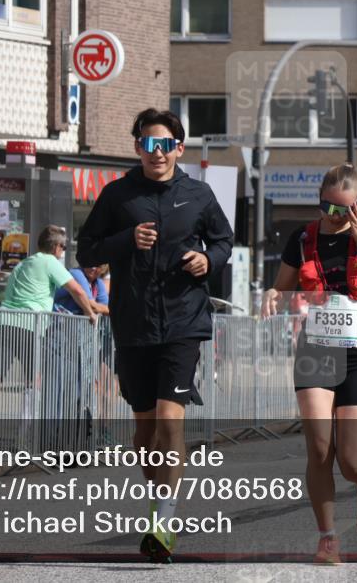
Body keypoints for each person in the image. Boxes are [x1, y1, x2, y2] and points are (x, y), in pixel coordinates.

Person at [77, 108, 233, 563]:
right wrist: (126, 240)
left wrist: (209, 261)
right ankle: (158, 499)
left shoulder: (198, 195)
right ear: (138, 148)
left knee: (170, 421)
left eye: (165, 145)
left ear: (179, 149)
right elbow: (87, 250)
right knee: (145, 435)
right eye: (149, 144)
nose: (157, 152)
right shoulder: (118, 195)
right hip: (134, 324)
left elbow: (223, 241)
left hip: (184, 321)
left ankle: (163, 521)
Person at [262, 163, 357, 565]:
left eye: (344, 209)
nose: (335, 216)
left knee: (350, 459)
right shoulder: (303, 238)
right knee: (320, 448)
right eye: (328, 207)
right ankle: (328, 538)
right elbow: (282, 286)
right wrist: (271, 294)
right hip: (316, 349)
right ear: (319, 201)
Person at [0, 226, 97, 418]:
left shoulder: (22, 264)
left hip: (4, 323)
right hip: (30, 326)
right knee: (34, 381)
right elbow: (78, 291)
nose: (63, 251)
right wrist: (90, 313)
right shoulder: (49, 262)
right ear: (56, 246)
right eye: (63, 247)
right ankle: (26, 432)